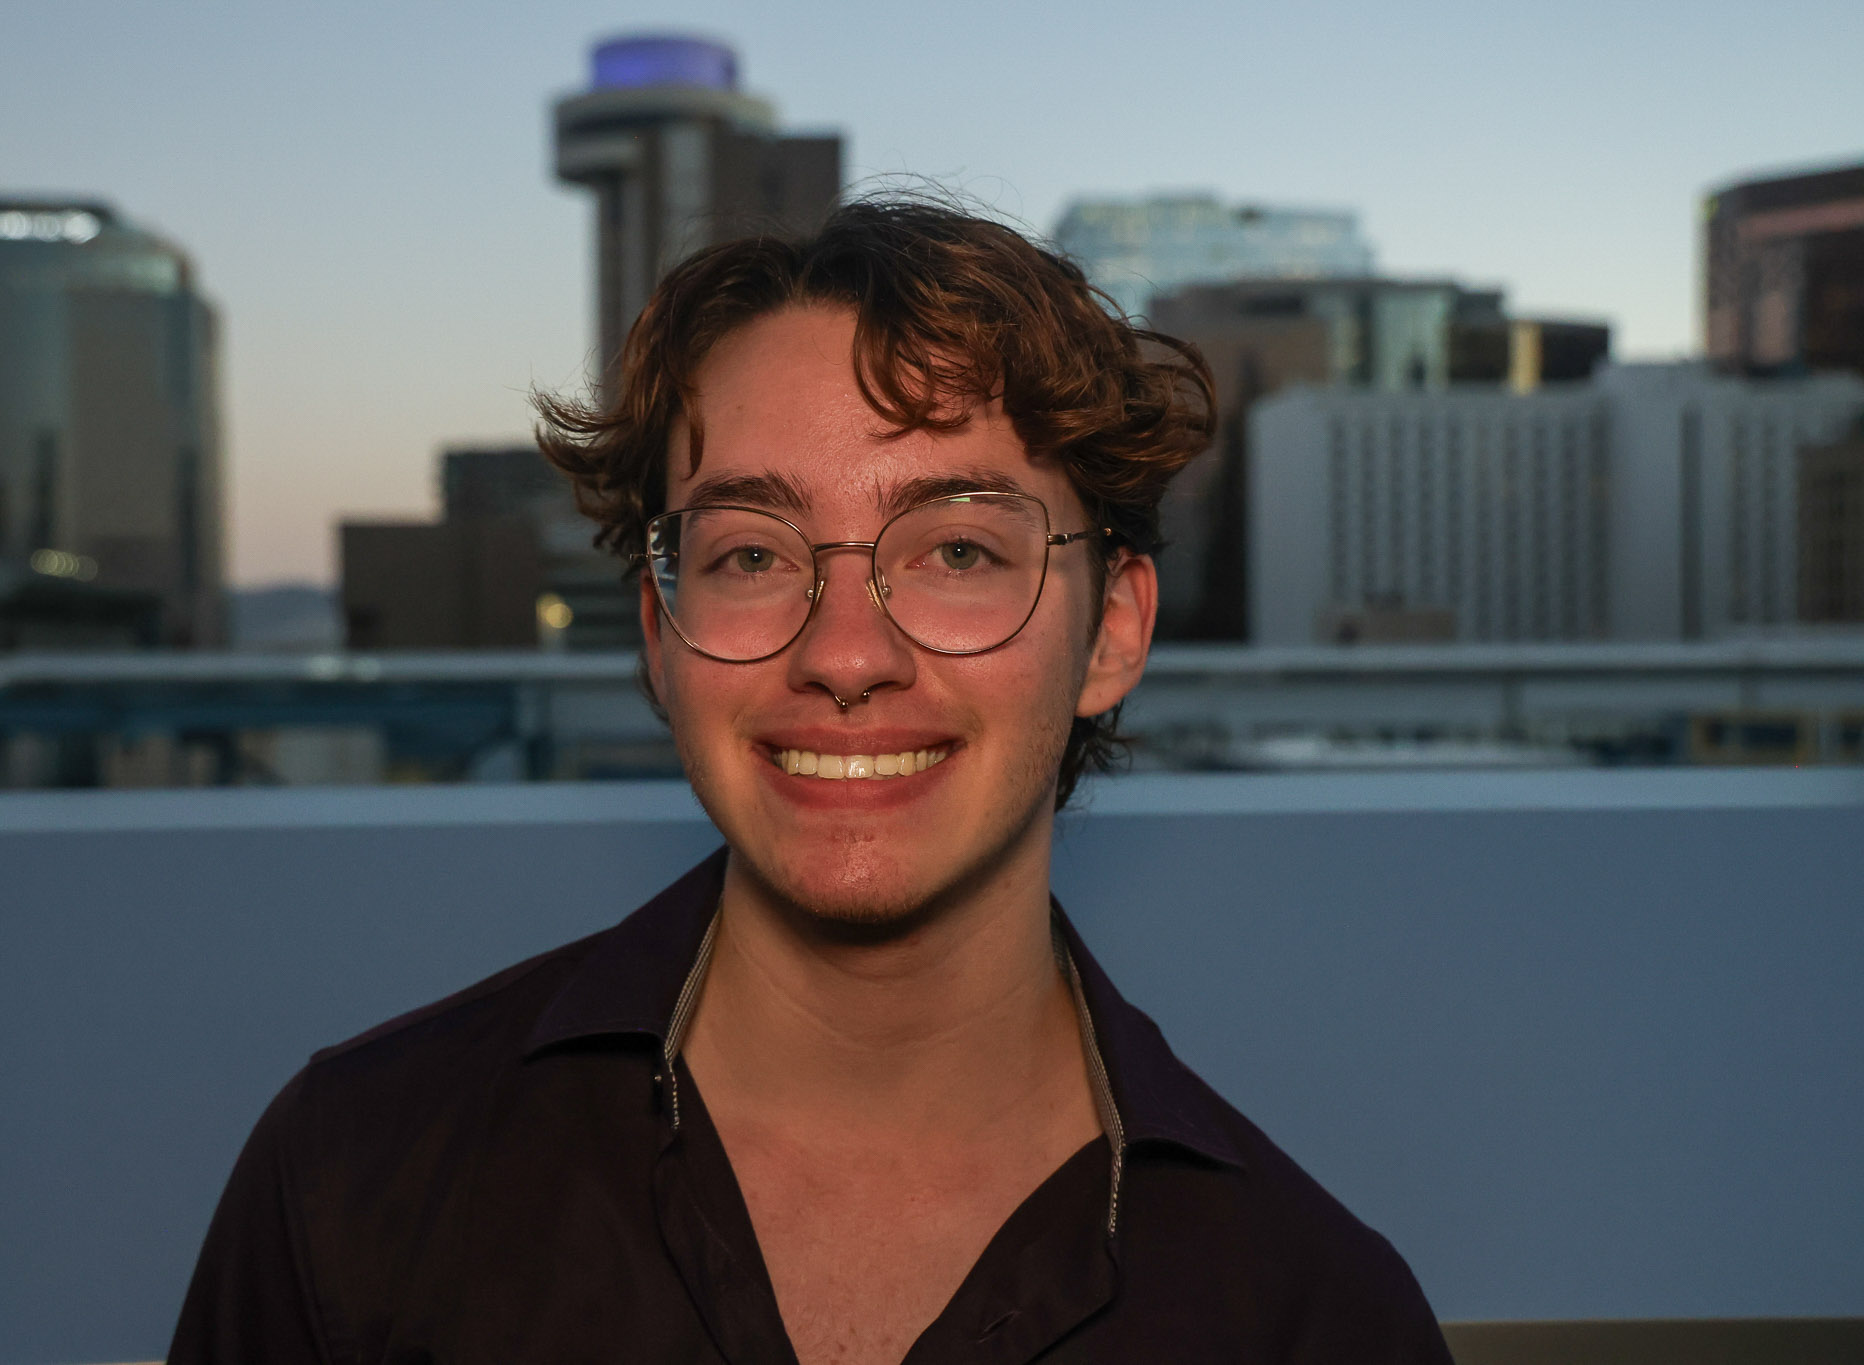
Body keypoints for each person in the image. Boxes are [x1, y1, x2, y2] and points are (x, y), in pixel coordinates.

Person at [168, 198, 1452, 1364]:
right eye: (748, 555)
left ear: (1110, 631)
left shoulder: (1312, 1320)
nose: (843, 653)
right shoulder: (354, 1180)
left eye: (956, 547)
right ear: (659, 637)